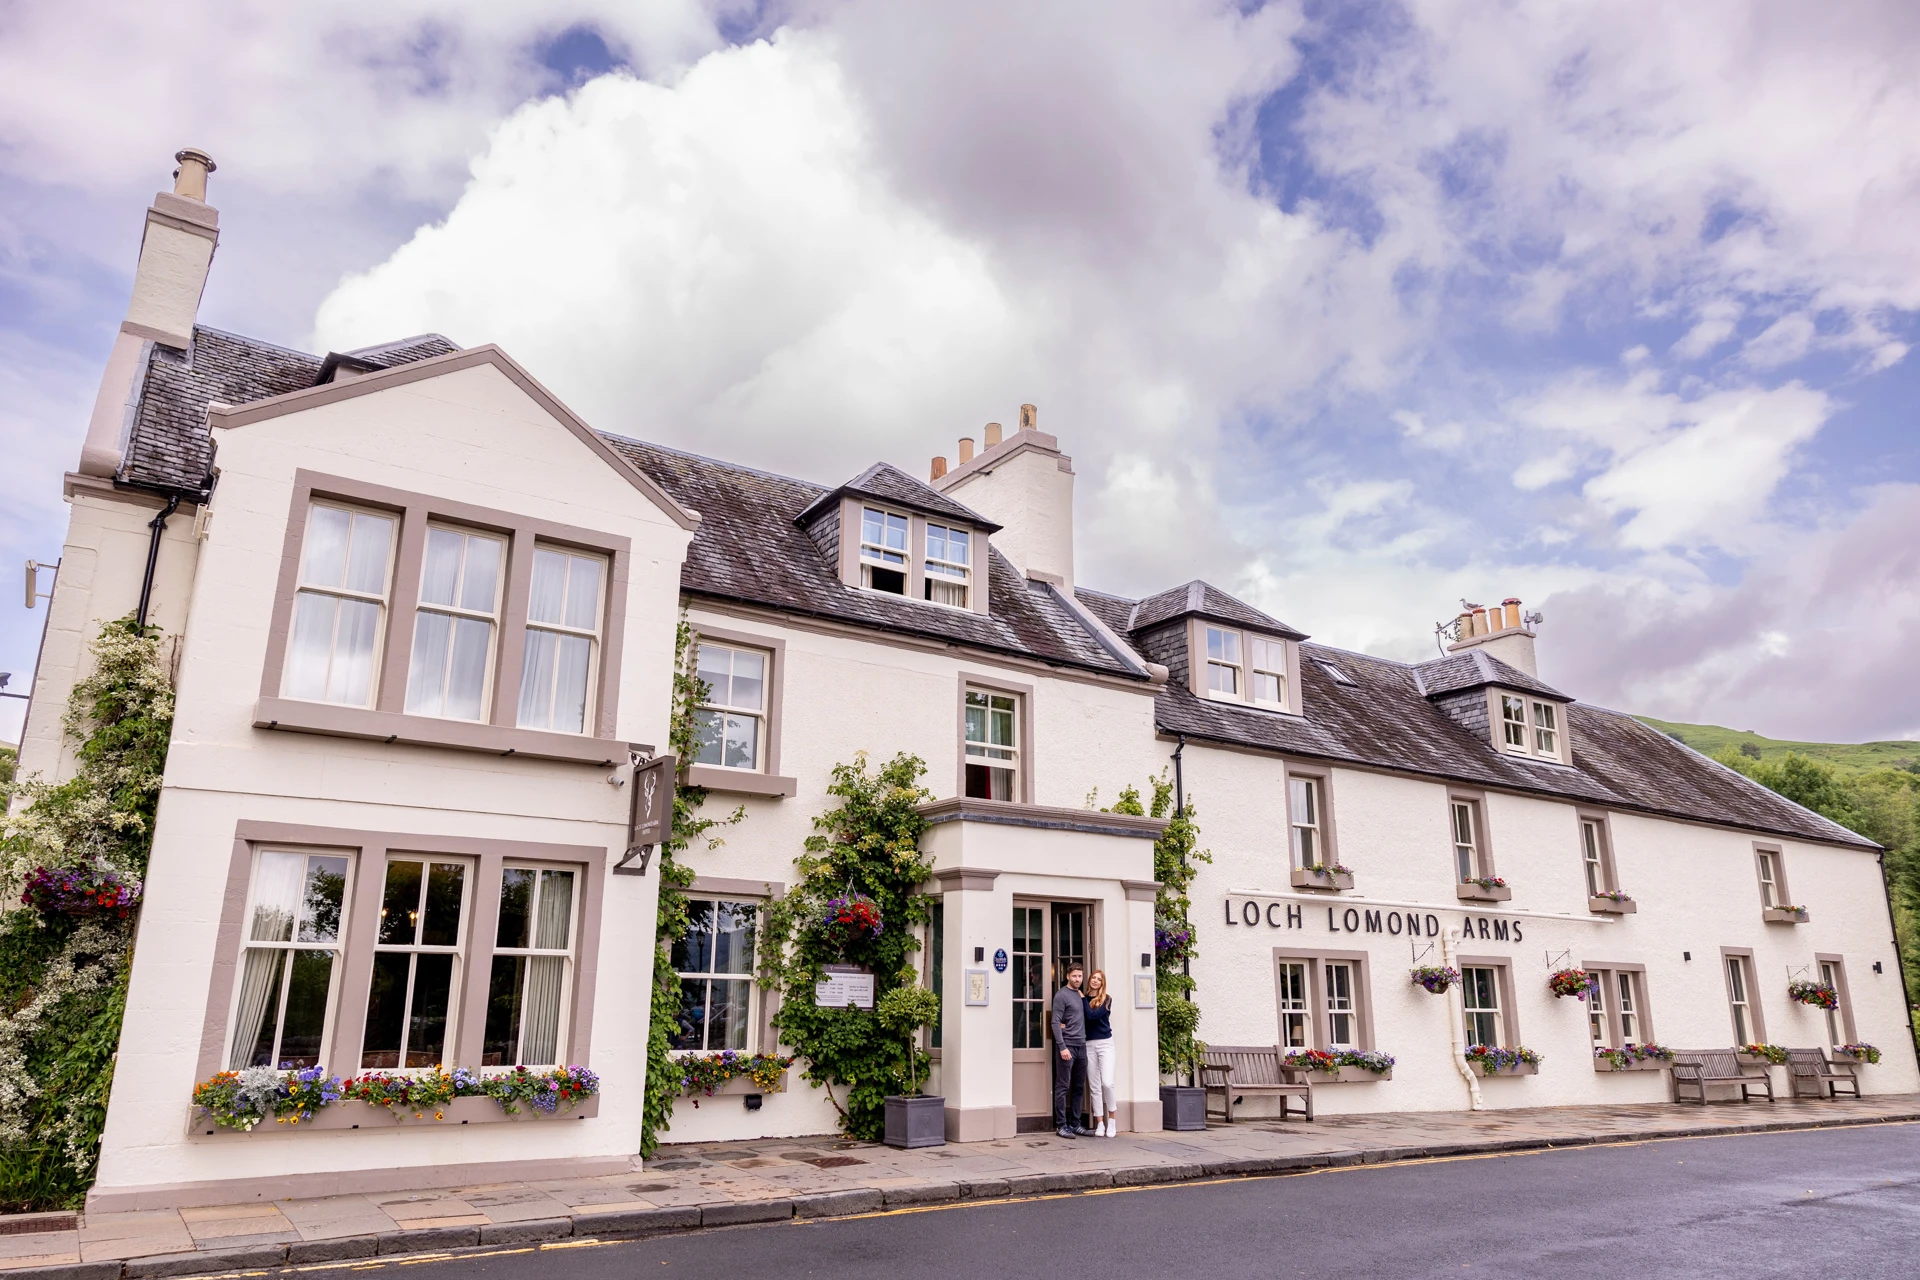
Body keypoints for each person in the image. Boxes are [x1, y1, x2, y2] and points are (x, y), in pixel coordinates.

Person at [1051, 963, 1089, 1138]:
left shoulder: (1082, 996)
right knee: (1063, 1086)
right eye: (1074, 976)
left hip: (1082, 1046)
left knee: (1079, 1086)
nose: (1077, 979)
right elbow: (1055, 1022)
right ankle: (1061, 1125)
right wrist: (1062, 1046)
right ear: (1068, 976)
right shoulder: (1061, 995)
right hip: (1068, 1047)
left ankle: (1075, 1123)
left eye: (1080, 976)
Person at [1083, 969, 1116, 1137]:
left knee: (1107, 1083)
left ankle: (1112, 1120)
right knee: (1094, 1086)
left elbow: (1092, 1016)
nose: (1095, 981)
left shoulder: (1106, 999)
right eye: (1093, 978)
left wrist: (1082, 1000)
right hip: (1088, 1044)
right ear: (1089, 980)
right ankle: (1100, 1123)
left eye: (1099, 979)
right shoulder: (1082, 998)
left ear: (1102, 983)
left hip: (1105, 1044)